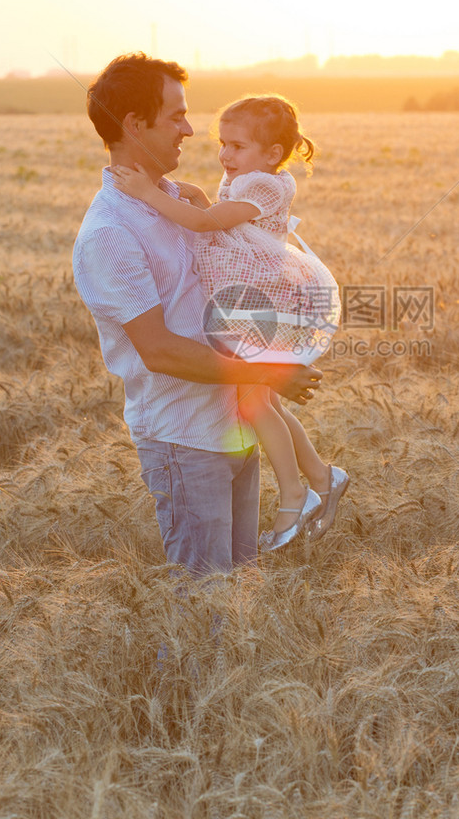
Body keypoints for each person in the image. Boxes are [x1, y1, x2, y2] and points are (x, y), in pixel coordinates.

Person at [72, 53, 323, 578]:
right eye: (176, 116)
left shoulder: (174, 201)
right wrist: (268, 370)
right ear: (136, 125)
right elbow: (159, 349)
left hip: (235, 425)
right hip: (184, 440)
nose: (190, 130)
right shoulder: (111, 233)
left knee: (238, 598)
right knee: (200, 605)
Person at [111, 95, 349, 552]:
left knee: (254, 403)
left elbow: (205, 224)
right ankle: (320, 475)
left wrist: (149, 194)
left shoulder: (267, 186)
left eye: (236, 146)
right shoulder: (245, 177)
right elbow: (218, 214)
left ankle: (297, 494)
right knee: (260, 400)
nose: (224, 155)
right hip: (247, 302)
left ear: (272, 154)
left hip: (263, 303)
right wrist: (199, 194)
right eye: (222, 144)